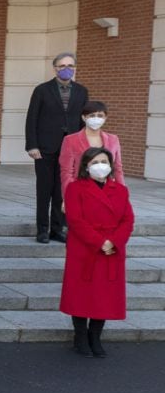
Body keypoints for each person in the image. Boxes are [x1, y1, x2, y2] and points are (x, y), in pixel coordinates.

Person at [61, 147, 133, 358]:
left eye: (104, 161)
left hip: (112, 249)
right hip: (84, 248)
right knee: (81, 294)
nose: (100, 166)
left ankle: (95, 337)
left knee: (105, 296)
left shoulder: (120, 190)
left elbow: (128, 219)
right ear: (86, 166)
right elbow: (75, 219)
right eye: (94, 162)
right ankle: (81, 337)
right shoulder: (75, 188)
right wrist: (99, 241)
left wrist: (115, 242)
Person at [26, 52, 87, 244]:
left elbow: (83, 120)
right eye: (62, 66)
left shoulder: (82, 91)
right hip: (45, 148)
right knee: (44, 190)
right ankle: (42, 230)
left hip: (71, 149)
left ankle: (57, 229)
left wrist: (84, 146)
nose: (66, 69)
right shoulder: (42, 90)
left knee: (63, 190)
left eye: (70, 65)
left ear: (75, 68)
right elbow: (32, 119)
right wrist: (32, 145)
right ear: (55, 68)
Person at [59, 101, 125, 195]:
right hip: (82, 190)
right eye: (92, 115)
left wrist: (123, 193)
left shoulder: (113, 139)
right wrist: (68, 196)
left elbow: (118, 169)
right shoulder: (70, 140)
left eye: (100, 115)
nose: (96, 118)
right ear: (84, 117)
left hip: (108, 191)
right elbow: (67, 172)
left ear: (105, 118)